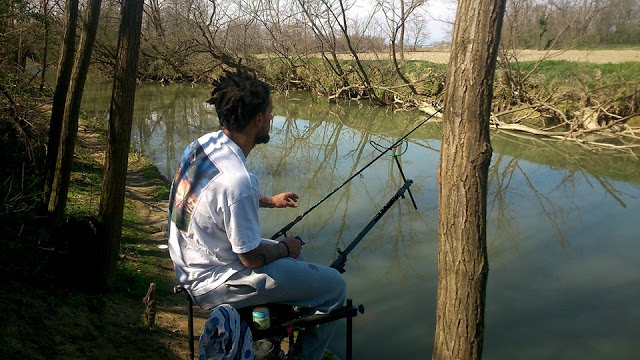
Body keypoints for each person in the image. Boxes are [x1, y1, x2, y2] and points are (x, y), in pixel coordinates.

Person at [167, 65, 346, 360]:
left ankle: (274, 335)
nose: (273, 118)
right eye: (271, 112)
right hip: (213, 281)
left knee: (290, 257)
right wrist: (287, 248)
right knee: (334, 287)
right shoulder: (238, 180)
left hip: (188, 260)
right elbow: (250, 257)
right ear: (259, 119)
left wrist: (269, 201)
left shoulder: (202, 146)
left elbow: (215, 197)